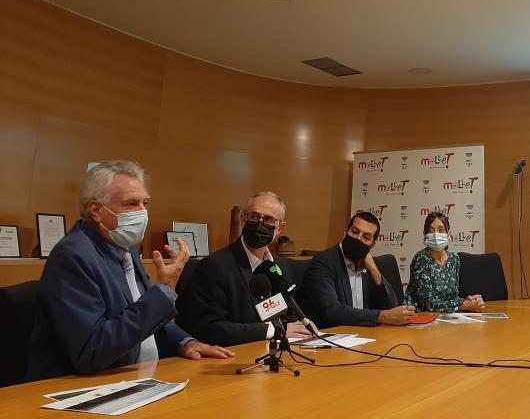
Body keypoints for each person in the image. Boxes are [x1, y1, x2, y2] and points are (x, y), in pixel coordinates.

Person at [26, 160, 234, 382]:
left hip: (137, 377)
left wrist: (185, 342)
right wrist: (163, 291)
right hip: (76, 388)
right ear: (96, 210)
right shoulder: (72, 257)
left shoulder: (125, 249)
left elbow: (142, 318)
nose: (142, 212)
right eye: (131, 204)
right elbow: (92, 352)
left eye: (146, 203)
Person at [176, 191, 313, 346]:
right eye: (254, 216)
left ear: (280, 227)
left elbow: (287, 314)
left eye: (268, 219)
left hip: (278, 350)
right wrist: (272, 330)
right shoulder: (215, 266)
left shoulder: (280, 265)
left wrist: (303, 326)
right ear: (243, 219)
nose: (259, 224)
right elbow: (209, 328)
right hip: (235, 354)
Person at [298, 212, 415, 329]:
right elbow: (332, 311)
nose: (358, 239)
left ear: (372, 245)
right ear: (345, 233)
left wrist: (373, 269)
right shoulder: (323, 263)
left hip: (365, 334)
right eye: (355, 232)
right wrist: (380, 316)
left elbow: (392, 308)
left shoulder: (369, 266)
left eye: (366, 237)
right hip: (332, 335)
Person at [404, 212, 485, 313]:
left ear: (448, 234)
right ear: (425, 234)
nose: (436, 234)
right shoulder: (421, 259)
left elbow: (452, 298)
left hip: (446, 316)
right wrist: (463, 306)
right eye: (431, 230)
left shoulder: (454, 259)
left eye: (441, 230)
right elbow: (428, 304)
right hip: (421, 316)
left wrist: (470, 301)